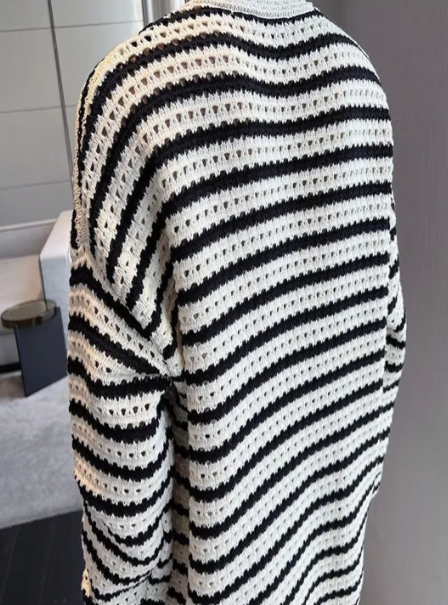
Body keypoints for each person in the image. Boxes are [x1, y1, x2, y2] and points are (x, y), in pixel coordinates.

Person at [67, 1, 407, 604]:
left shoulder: (131, 100)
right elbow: (389, 343)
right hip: (332, 567)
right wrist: (343, 508)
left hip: (215, 579)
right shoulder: (361, 83)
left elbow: (117, 428)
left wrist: (114, 590)